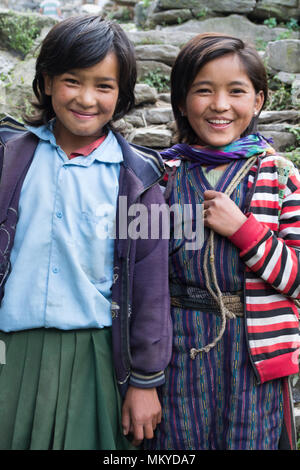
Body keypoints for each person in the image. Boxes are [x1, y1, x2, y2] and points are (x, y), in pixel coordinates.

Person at [0, 15, 171, 450]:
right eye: (72, 81)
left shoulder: (140, 180)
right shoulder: (9, 161)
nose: (87, 98)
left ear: (123, 94)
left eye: (104, 85)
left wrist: (145, 381)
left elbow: (151, 286)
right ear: (46, 82)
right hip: (10, 350)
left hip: (96, 354)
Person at [146, 32, 300, 450]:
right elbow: (137, 270)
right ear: (181, 101)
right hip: (178, 351)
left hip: (255, 359)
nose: (220, 105)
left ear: (259, 100)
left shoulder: (281, 177)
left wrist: (244, 230)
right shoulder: (160, 177)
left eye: (236, 91)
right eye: (203, 91)